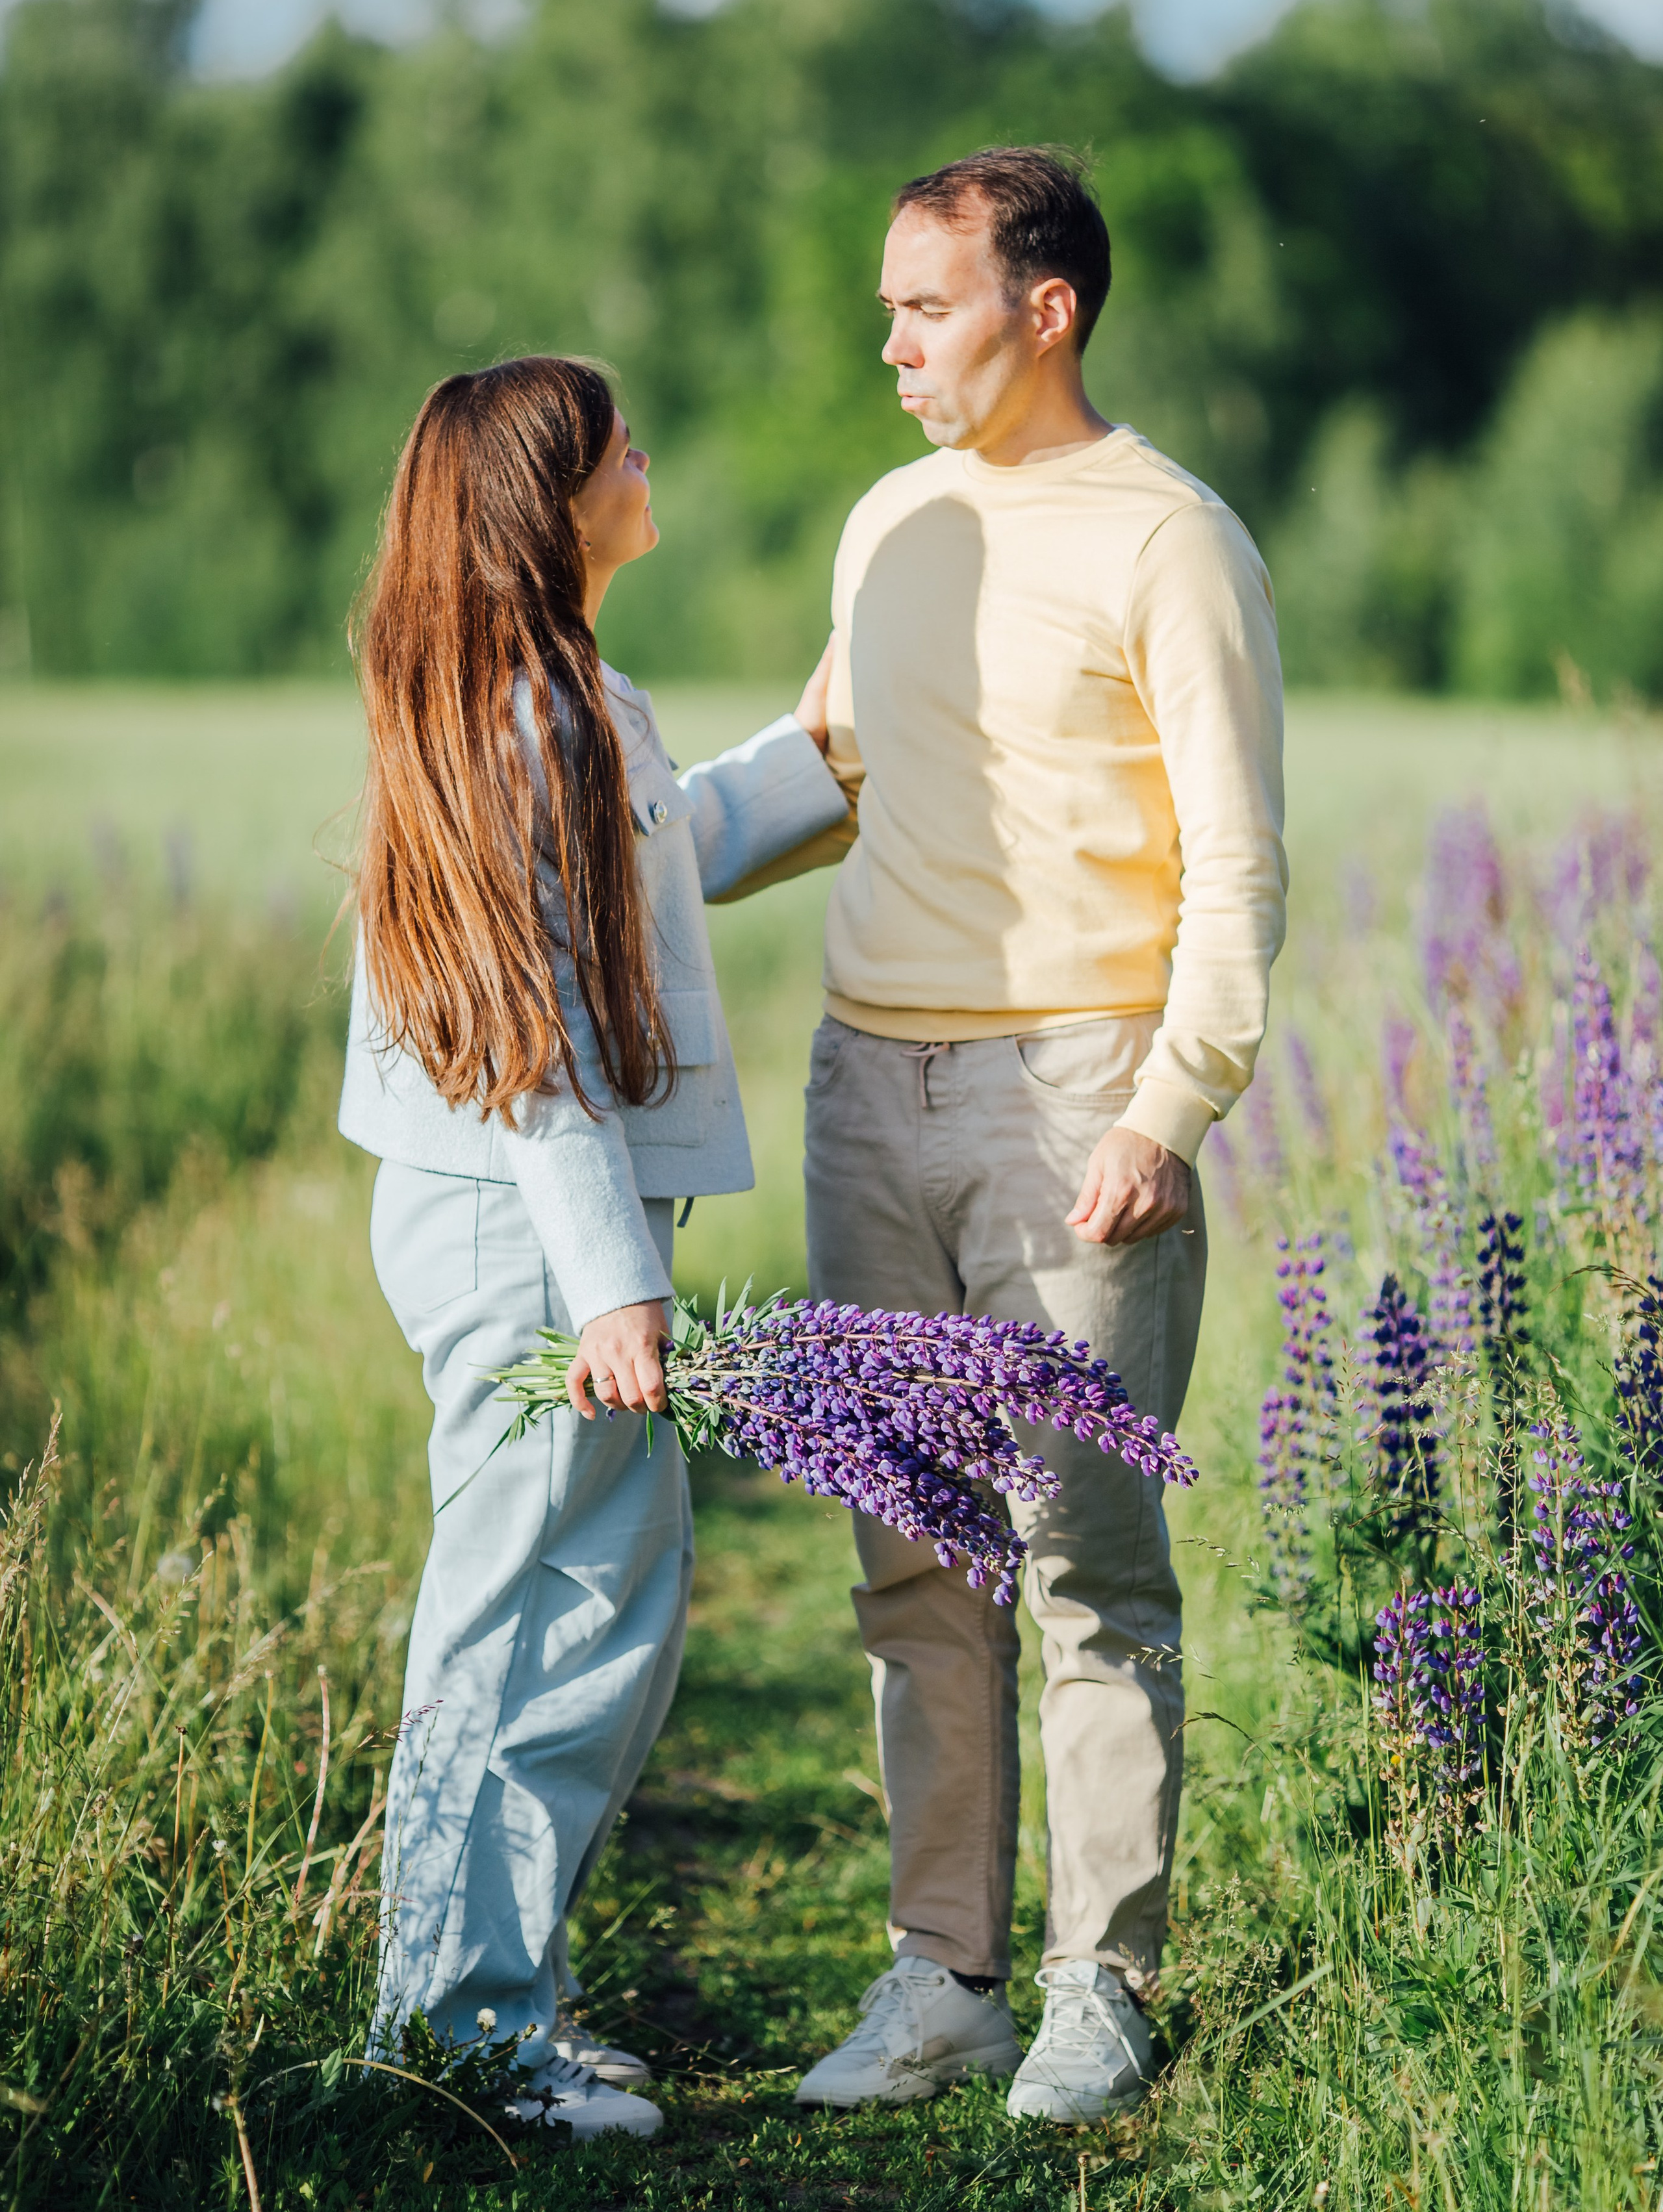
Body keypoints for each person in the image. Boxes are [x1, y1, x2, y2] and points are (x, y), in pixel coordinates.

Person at [788, 149, 1287, 2124]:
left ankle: (1106, 1988)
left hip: (1080, 1095)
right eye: (892, 304)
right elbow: (824, 771)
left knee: (1086, 1563)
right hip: (864, 1085)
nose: (892, 338)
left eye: (926, 303)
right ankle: (944, 1983)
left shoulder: (1173, 538)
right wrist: (578, 853)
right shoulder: (888, 520)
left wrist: (1174, 1108)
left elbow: (1242, 869)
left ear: (1046, 307)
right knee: (915, 1558)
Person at [338, 356, 848, 2141]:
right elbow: (525, 1024)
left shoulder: (564, 697)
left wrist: (822, 757)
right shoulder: (516, 719)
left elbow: (664, 857)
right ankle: (463, 2037)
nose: (646, 455)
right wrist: (614, 1279)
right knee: (524, 1618)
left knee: (594, 1609)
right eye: (614, 441)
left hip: (528, 1222)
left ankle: (496, 2005)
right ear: (546, 504)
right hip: (523, 1232)